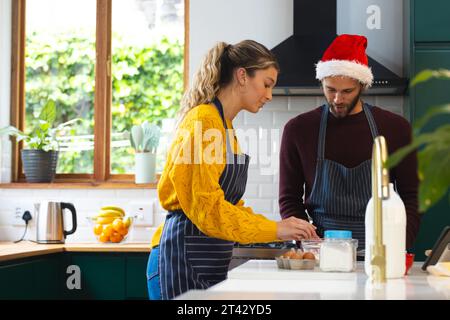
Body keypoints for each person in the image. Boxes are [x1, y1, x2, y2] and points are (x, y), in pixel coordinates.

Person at [147, 40, 319, 300]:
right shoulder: (204, 122)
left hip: (203, 259)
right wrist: (276, 229)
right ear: (242, 76)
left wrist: (279, 225)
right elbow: (208, 208)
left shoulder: (224, 126)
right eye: (266, 84)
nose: (269, 95)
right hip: (180, 259)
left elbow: (231, 205)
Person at [279, 34, 421, 252]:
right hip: (321, 250)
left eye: (347, 91)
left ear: (362, 85)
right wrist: (310, 244)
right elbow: (289, 200)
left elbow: (412, 197)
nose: (337, 99)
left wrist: (398, 245)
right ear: (321, 82)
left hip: (381, 250)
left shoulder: (396, 128)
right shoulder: (298, 130)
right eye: (330, 89)